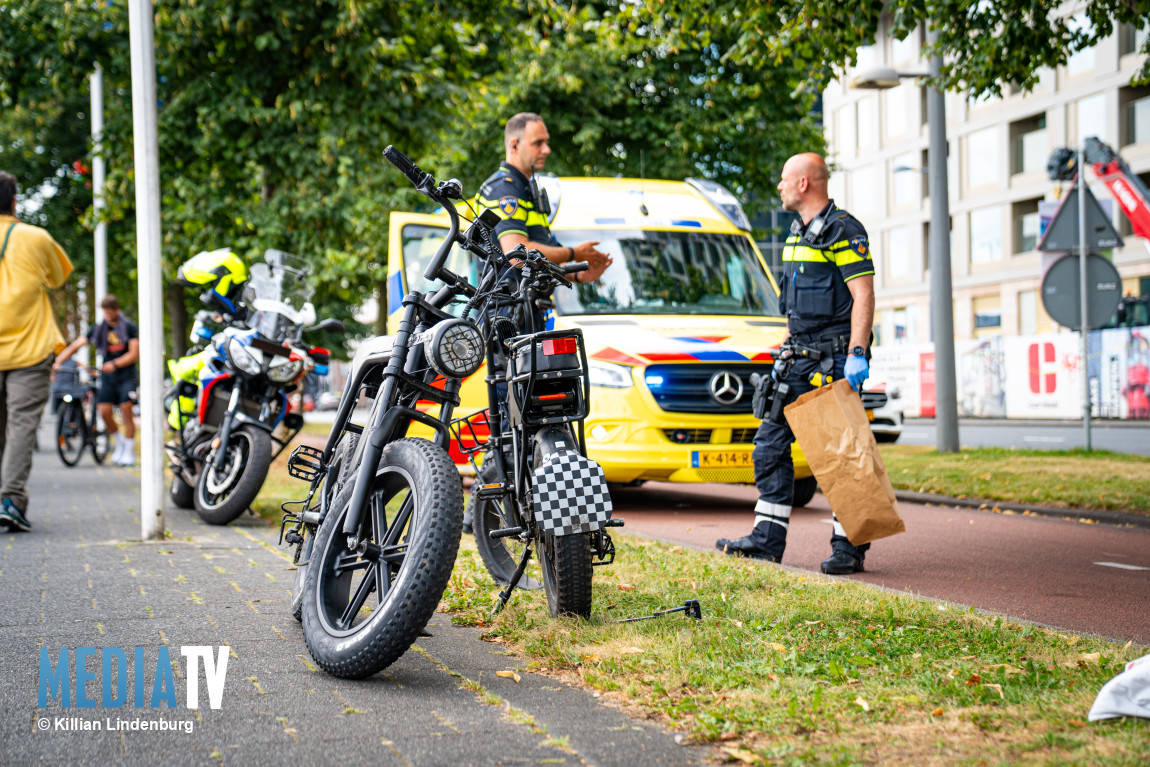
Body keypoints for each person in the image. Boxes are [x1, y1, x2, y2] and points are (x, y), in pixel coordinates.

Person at [715, 153, 876, 575]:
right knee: (769, 446)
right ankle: (766, 542)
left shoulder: (844, 230)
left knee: (840, 454)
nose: (780, 187)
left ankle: (849, 548)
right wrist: (783, 347)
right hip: (798, 356)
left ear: (804, 183)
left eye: (784, 180)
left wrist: (857, 355)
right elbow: (797, 308)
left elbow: (863, 295)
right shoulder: (796, 233)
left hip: (834, 357)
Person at [477, 112, 613, 324]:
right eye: (538, 143)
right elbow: (518, 255)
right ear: (514, 145)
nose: (546, 150)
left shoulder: (523, 188)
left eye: (546, 143)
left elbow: (539, 256)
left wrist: (578, 275)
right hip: (507, 318)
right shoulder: (505, 190)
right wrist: (574, 253)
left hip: (526, 312)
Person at [0, 170, 74, 531]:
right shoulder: (34, 237)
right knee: (21, 426)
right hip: (29, 351)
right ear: (14, 202)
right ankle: (10, 500)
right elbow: (58, 277)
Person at [53, 295, 140, 466]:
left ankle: (128, 450)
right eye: (105, 313)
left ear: (117, 310)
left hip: (126, 376)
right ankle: (120, 443)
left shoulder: (129, 327)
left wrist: (115, 363)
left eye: (110, 312)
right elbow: (75, 346)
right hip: (107, 377)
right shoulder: (99, 329)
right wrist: (59, 361)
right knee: (104, 412)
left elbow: (134, 353)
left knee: (126, 410)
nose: (107, 316)